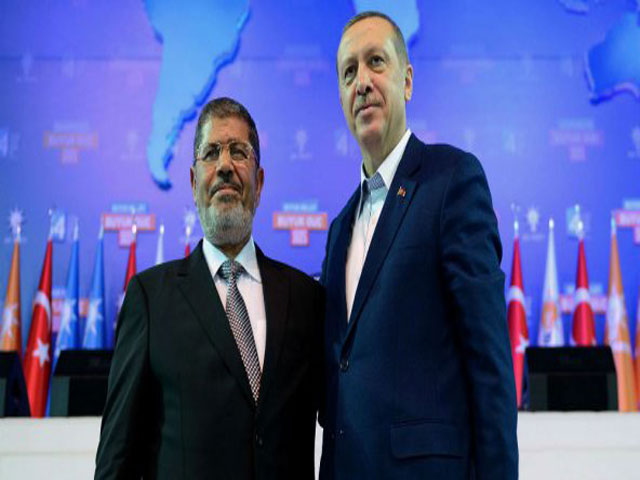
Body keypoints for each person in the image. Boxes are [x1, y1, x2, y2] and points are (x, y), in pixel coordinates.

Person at [319, 12, 518, 479]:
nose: (362, 82)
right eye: (349, 72)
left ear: (406, 81)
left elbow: (489, 359)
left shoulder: (451, 181)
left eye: (376, 62)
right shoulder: (339, 228)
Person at [95, 97, 323, 480]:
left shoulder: (307, 299)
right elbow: (116, 461)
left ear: (259, 182)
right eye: (211, 153)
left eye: (239, 152)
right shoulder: (150, 299)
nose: (225, 166)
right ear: (192, 182)